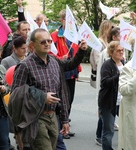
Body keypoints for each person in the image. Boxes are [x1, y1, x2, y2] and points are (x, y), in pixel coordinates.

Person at [10, 28, 87, 150]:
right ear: (32, 45)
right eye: (43, 42)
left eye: (49, 41)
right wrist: (42, 96)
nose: (47, 44)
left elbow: (61, 90)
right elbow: (15, 94)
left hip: (53, 117)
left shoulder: (54, 62)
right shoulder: (25, 66)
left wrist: (65, 119)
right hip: (35, 118)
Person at [51, 9, 80, 139]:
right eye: (68, 20)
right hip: (61, 70)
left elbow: (76, 52)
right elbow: (50, 52)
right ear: (62, 20)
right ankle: (63, 126)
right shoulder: (55, 35)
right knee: (64, 100)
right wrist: (59, 58)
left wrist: (77, 69)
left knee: (70, 99)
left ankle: (65, 124)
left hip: (72, 71)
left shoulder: (74, 35)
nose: (71, 23)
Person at [89, 20, 114, 146]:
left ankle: (109, 122)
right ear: (106, 29)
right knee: (104, 105)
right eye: (111, 28)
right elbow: (97, 61)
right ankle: (100, 134)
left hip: (109, 78)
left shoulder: (109, 43)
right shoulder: (99, 43)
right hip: (103, 78)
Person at [98, 41, 124, 150]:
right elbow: (104, 82)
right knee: (108, 130)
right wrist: (118, 76)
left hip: (121, 101)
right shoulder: (107, 65)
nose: (121, 52)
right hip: (108, 102)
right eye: (118, 50)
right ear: (111, 52)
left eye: (122, 50)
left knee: (126, 127)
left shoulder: (124, 63)